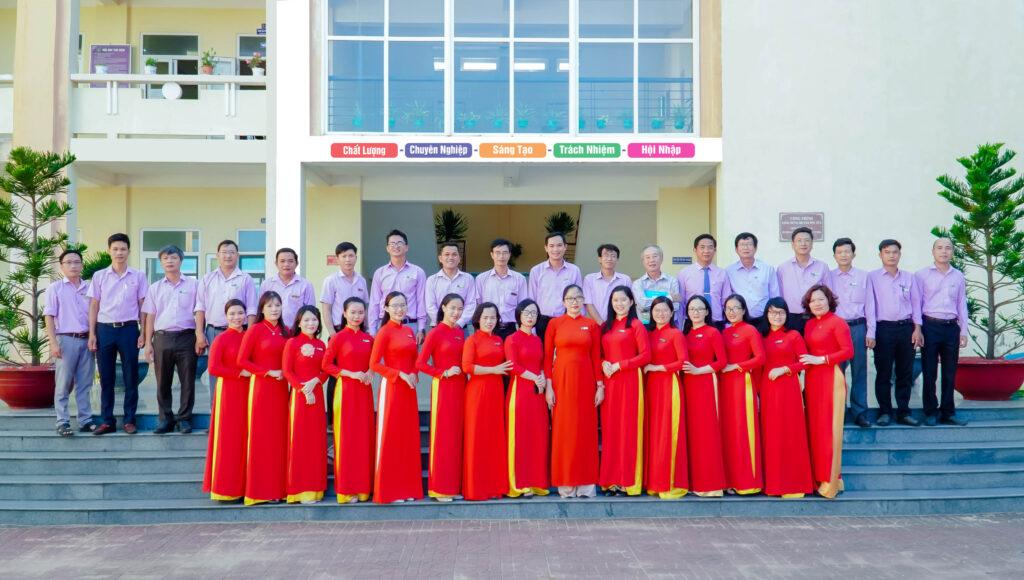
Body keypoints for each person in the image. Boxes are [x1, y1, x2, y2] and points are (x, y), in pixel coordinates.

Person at [544, 284, 603, 498]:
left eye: (578, 297)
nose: (575, 302)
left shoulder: (591, 325)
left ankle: (586, 485)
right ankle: (566, 484)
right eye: (570, 298)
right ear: (563, 302)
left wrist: (600, 386)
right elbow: (547, 357)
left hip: (586, 383)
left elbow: (596, 357)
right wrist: (549, 387)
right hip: (561, 383)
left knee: (585, 431)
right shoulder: (555, 323)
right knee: (564, 432)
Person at [87, 233, 147, 436]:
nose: (119, 252)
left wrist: (143, 332)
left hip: (129, 329)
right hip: (104, 329)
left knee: (131, 376)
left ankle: (129, 420)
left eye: (123, 249)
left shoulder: (138, 276)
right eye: (115, 249)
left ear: (129, 251)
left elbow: (142, 305)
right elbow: (94, 305)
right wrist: (92, 333)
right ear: (109, 251)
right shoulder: (99, 276)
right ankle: (107, 421)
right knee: (106, 378)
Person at [369, 291, 424, 504]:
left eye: (403, 305)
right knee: (391, 437)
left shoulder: (409, 331)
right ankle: (390, 491)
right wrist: (399, 374)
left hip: (409, 390)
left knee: (408, 438)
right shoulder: (384, 332)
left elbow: (415, 359)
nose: (400, 309)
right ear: (386, 308)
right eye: (395, 306)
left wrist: (414, 373)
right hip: (392, 388)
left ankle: (407, 488)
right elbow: (374, 364)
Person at [800, 285, 854, 499]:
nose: (817, 303)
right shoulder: (810, 324)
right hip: (812, 380)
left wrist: (821, 359)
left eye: (821, 299)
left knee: (829, 430)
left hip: (831, 377)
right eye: (812, 300)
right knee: (815, 429)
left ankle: (831, 481)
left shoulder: (838, 323)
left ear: (829, 300)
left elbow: (848, 351)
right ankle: (817, 477)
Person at [237, 291, 290, 505]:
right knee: (262, 438)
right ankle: (260, 491)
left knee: (280, 439)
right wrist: (267, 372)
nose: (274, 309)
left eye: (277, 305)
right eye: (269, 306)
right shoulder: (255, 330)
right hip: (262, 389)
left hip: (282, 390)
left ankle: (280, 489)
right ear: (262, 309)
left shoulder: (287, 332)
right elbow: (242, 361)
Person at [142, 245, 201, 435]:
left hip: (187, 337)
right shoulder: (155, 288)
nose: (170, 261)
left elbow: (200, 311)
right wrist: (148, 343)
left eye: (174, 257)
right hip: (162, 338)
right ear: (161, 262)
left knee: (188, 381)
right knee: (162, 382)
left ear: (181, 261)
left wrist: (199, 335)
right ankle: (165, 419)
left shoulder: (194, 285)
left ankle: (184, 419)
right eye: (165, 258)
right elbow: (150, 316)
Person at [321, 297, 375, 503]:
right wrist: (350, 374)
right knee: (347, 439)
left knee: (364, 438)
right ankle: (347, 490)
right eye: (352, 312)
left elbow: (374, 362)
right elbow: (326, 365)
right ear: (344, 314)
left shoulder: (368, 339)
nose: (357, 316)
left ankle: (364, 489)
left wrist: (370, 371)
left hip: (364, 392)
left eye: (360, 312)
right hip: (346, 392)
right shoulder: (338, 338)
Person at [759, 297, 814, 498]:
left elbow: (805, 362)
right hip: (766, 390)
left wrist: (785, 369)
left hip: (789, 389)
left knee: (791, 433)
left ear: (787, 315)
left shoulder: (793, 336)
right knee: (771, 436)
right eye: (773, 312)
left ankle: (793, 484)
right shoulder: (761, 337)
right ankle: (773, 484)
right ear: (767, 314)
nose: (777, 316)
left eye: (781, 312)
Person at [598, 286, 650, 496]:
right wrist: (602, 363)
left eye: (623, 300)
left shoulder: (636, 325)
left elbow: (645, 355)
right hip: (609, 383)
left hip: (629, 381)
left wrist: (621, 364)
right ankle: (610, 481)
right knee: (611, 430)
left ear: (631, 302)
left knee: (628, 430)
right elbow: (598, 353)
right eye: (615, 300)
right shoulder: (605, 326)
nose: (619, 304)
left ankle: (628, 481)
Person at [415, 294, 468, 501]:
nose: (456, 312)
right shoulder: (435, 333)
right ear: (443, 308)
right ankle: (440, 488)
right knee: (443, 437)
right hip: (443, 389)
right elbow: (420, 364)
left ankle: (453, 487)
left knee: (456, 437)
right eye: (452, 308)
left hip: (461, 388)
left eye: (460, 309)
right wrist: (442, 372)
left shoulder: (460, 332)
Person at [866, 239, 922, 427]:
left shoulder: (909, 277)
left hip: (906, 328)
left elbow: (916, 304)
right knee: (883, 372)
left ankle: (904, 412)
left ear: (900, 254)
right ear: (880, 255)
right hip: (883, 330)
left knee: (905, 373)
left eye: (895, 252)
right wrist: (871, 332)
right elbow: (870, 306)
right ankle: (884, 412)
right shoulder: (872, 277)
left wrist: (917, 329)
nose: (891, 255)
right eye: (887, 252)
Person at [915, 237, 969, 426]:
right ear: (933, 251)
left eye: (948, 248)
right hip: (930, 326)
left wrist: (963, 331)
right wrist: (918, 329)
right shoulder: (921, 275)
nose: (944, 251)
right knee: (929, 372)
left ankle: (948, 412)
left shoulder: (958, 276)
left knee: (949, 372)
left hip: (951, 328)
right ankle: (930, 412)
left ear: (952, 252)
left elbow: (961, 303)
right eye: (939, 248)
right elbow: (916, 304)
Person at [461, 302, 512, 500]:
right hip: (478, 392)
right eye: (486, 318)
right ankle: (476, 488)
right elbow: (467, 367)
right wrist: (493, 370)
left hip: (496, 392)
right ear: (478, 319)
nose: (489, 321)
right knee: (477, 437)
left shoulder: (499, 340)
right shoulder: (471, 340)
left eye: (493, 318)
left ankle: (495, 486)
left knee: (494, 437)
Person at [195, 239, 258, 396]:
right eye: (224, 252)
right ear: (217, 255)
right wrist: (199, 333)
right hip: (214, 332)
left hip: (240, 333)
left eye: (231, 252)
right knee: (216, 373)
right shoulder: (207, 278)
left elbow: (252, 308)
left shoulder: (246, 279)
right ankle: (216, 408)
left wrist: (249, 335)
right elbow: (200, 307)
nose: (228, 256)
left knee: (241, 371)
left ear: (237, 255)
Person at [44, 249, 96, 437]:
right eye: (68, 262)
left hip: (87, 340)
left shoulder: (90, 288)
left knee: (85, 382)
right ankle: (62, 421)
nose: (73, 265)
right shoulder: (55, 288)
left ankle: (85, 420)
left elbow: (95, 314)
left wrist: (94, 336)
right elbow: (49, 316)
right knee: (63, 383)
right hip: (66, 340)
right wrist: (53, 343)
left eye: (77, 262)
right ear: (62, 266)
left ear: (82, 265)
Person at [202, 299, 250, 502]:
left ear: (246, 315)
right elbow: (213, 368)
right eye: (232, 314)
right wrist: (239, 373)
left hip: (249, 391)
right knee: (229, 437)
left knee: (246, 437)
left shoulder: (249, 337)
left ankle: (247, 486)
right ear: (226, 316)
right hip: (229, 392)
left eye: (240, 313)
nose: (236, 317)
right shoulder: (221, 339)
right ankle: (226, 489)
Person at [642, 296, 690, 499]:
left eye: (664, 310)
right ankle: (654, 482)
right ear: (651, 313)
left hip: (669, 386)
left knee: (668, 433)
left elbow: (683, 362)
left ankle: (670, 484)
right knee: (654, 435)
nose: (660, 314)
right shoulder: (648, 334)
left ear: (672, 313)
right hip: (650, 388)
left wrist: (657, 368)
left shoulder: (675, 334)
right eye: (656, 310)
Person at [718, 294, 765, 495]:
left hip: (742, 384)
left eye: (736, 308)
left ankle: (747, 482)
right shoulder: (724, 332)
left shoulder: (750, 330)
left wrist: (737, 366)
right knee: (728, 432)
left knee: (743, 430)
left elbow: (760, 358)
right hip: (724, 386)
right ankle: (730, 480)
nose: (732, 312)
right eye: (728, 308)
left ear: (744, 310)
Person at [681, 295, 728, 497]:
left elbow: (722, 361)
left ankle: (710, 485)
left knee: (706, 433)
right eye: (692, 309)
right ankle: (693, 482)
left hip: (706, 384)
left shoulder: (712, 332)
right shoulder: (685, 334)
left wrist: (699, 371)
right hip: (687, 386)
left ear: (707, 312)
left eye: (700, 309)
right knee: (691, 433)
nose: (696, 312)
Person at [282, 305, 329, 504]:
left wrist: (316, 381)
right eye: (307, 320)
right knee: (300, 440)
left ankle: (316, 489)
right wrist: (303, 390)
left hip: (317, 397)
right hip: (300, 398)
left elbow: (325, 370)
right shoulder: (292, 343)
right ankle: (299, 490)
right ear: (299, 323)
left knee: (316, 441)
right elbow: (287, 371)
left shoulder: (321, 345)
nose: (311, 323)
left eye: (314, 319)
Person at [504, 299, 550, 497]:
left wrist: (542, 377)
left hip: (537, 394)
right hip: (520, 392)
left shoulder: (538, 340)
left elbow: (542, 363)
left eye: (534, 313)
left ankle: (536, 482)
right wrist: (535, 377)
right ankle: (519, 484)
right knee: (520, 437)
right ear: (519, 315)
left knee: (537, 436)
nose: (530, 316)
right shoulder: (512, 339)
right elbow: (512, 365)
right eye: (527, 313)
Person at [319, 242, 368, 427]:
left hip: (357, 331)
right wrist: (332, 333)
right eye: (344, 256)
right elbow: (326, 308)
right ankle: (333, 419)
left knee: (357, 370)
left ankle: (356, 415)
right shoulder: (331, 280)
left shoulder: (361, 281)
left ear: (356, 257)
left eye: (351, 255)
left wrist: (365, 331)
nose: (348, 259)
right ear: (338, 259)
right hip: (338, 331)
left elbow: (365, 307)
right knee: (335, 374)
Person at [826, 237, 871, 428]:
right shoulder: (828, 277)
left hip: (858, 327)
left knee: (859, 370)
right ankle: (840, 410)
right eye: (839, 252)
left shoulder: (864, 276)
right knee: (837, 372)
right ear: (834, 255)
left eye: (847, 251)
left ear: (853, 254)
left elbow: (870, 305)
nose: (843, 255)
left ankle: (860, 412)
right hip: (836, 329)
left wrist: (871, 331)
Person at [368, 230, 428, 342]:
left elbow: (421, 301)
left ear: (406, 247)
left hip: (410, 325)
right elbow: (374, 303)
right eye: (392, 243)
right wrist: (372, 330)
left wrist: (421, 328)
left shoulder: (418, 272)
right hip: (384, 325)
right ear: (387, 248)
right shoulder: (379, 273)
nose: (396, 246)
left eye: (399, 243)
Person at [529, 232, 583, 340]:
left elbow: (578, 298)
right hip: (542, 321)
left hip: (566, 320)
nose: (555, 249)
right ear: (546, 248)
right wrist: (532, 327)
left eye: (559, 245)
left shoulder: (574, 271)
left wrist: (577, 323)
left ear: (565, 247)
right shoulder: (536, 271)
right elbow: (531, 299)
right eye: (551, 246)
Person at [777, 227, 830, 334]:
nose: (803, 244)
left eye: (807, 240)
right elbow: (779, 294)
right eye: (799, 240)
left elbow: (828, 294)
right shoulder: (783, 268)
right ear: (792, 244)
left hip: (816, 316)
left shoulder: (822, 267)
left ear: (812, 244)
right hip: (791, 318)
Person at [476, 238, 530, 340]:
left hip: (510, 329)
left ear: (509, 255)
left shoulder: (519, 279)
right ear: (492, 255)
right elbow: (478, 306)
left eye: (505, 253)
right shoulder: (481, 279)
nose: (501, 256)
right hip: (487, 328)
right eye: (497, 253)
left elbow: (523, 307)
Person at [678, 234, 733, 327]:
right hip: (692, 323)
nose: (706, 251)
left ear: (715, 250)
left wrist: (728, 324)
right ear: (695, 250)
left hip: (716, 322)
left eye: (710, 247)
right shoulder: (684, 273)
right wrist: (680, 326)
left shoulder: (722, 273)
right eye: (702, 247)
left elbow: (726, 301)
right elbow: (681, 302)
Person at [726, 232, 780, 325]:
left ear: (755, 248)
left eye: (749, 244)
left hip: (763, 319)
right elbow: (727, 296)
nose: (746, 248)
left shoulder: (767, 269)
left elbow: (775, 296)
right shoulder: (729, 271)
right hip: (739, 319)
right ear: (736, 249)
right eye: (742, 245)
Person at [425, 242, 478, 330]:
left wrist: (459, 323)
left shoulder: (468, 279)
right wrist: (444, 323)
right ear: (440, 258)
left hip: (461, 327)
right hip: (438, 327)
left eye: (454, 254)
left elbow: (471, 304)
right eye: (447, 254)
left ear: (459, 258)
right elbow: (430, 306)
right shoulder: (432, 280)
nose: (450, 257)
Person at [259, 248, 316, 328]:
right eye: (282, 261)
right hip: (271, 330)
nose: (286, 264)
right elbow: (261, 309)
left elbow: (310, 312)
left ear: (297, 263)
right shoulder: (266, 284)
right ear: (276, 263)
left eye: (290, 261)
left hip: (296, 330)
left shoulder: (306, 285)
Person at [632, 244, 681, 325]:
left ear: (661, 259)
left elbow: (675, 306)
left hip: (667, 325)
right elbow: (642, 305)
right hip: (646, 325)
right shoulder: (637, 283)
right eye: (648, 257)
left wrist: (648, 301)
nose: (651, 260)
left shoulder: (672, 281)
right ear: (643, 261)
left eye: (655, 256)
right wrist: (669, 298)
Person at [583, 244, 632, 323]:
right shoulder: (589, 279)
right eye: (606, 255)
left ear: (617, 259)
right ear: (600, 259)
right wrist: (601, 324)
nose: (609, 259)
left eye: (613, 256)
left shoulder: (625, 280)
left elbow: (630, 303)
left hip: (619, 325)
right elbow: (588, 303)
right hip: (595, 324)